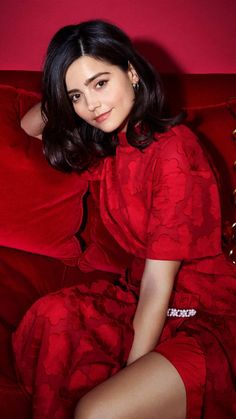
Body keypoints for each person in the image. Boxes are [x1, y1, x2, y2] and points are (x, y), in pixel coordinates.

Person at [13, 20, 236, 419]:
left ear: (132, 72)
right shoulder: (116, 144)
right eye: (77, 96)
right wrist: (62, 97)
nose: (92, 106)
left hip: (203, 311)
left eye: (101, 83)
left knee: (98, 411)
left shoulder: (174, 152)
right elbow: (29, 128)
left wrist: (131, 378)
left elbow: (157, 282)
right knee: (52, 317)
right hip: (140, 296)